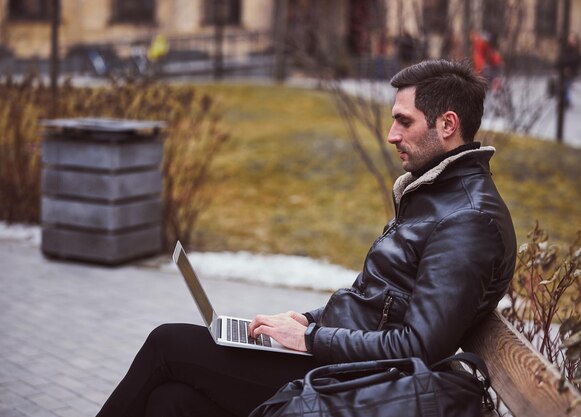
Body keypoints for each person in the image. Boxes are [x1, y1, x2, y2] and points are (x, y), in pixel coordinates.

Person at [96, 59, 517, 417]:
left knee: (168, 344)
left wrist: (311, 339)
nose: (391, 134)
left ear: (447, 125)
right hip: (346, 364)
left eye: (403, 121)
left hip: (358, 383)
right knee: (173, 402)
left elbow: (419, 345)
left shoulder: (468, 220)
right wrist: (308, 320)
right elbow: (379, 303)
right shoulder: (435, 195)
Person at [555, 33, 581, 108]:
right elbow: (561, 59)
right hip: (565, 70)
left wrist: (570, 68)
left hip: (569, 71)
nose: (572, 41)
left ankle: (565, 101)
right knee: (565, 86)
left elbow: (576, 60)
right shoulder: (567, 48)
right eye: (571, 39)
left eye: (574, 40)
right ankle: (565, 101)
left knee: (566, 86)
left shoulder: (575, 50)